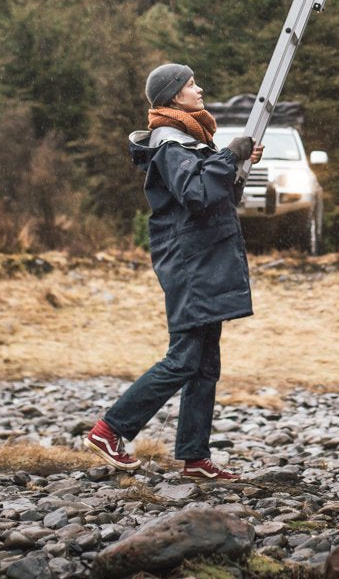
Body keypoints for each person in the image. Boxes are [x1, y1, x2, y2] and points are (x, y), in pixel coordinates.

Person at [84, 63, 264, 481]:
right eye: (190, 85)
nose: (199, 90)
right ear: (173, 96)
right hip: (190, 263)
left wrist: (236, 163)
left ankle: (195, 458)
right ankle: (108, 431)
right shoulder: (169, 142)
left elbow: (217, 197)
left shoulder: (189, 139)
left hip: (203, 260)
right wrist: (229, 155)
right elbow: (196, 194)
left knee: (204, 363)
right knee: (184, 358)